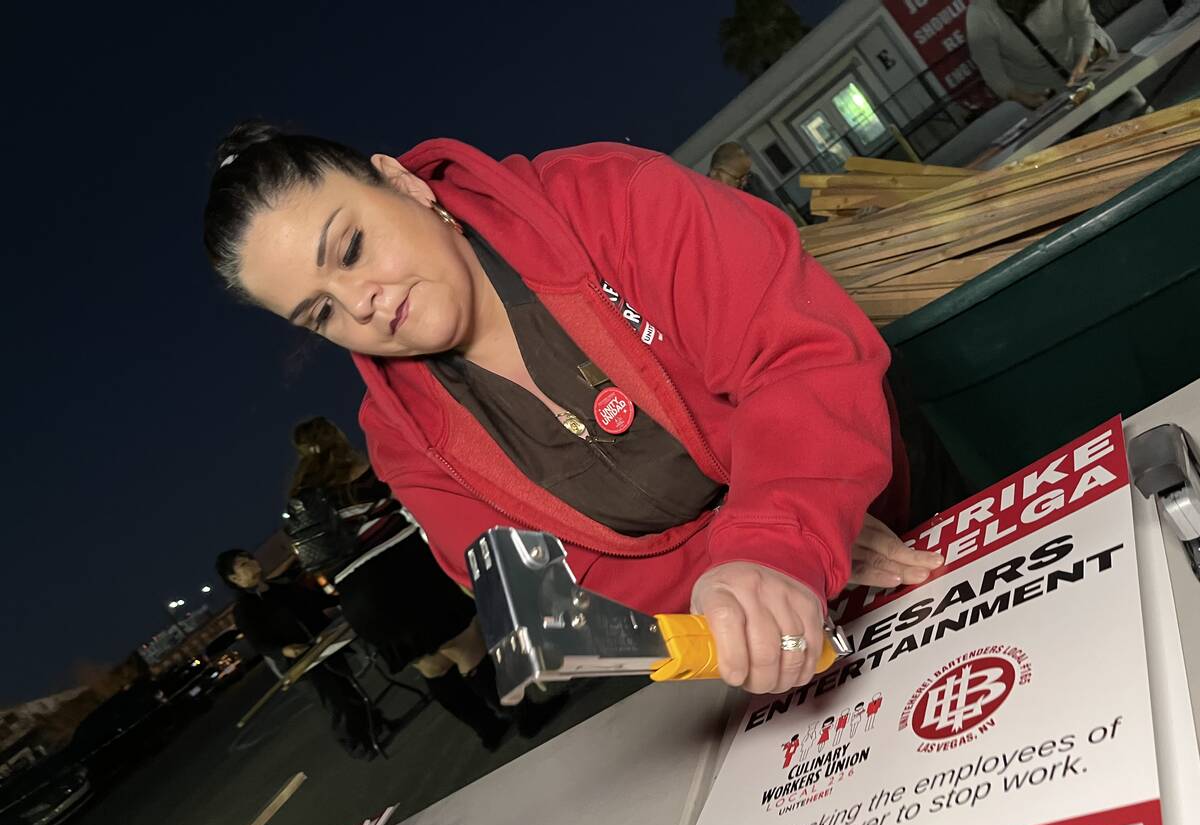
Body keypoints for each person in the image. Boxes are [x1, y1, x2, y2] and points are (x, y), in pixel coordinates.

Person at [203, 122, 949, 700]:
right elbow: (555, 593)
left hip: (894, 516)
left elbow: (797, 354)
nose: (359, 302)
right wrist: (756, 559)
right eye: (321, 313)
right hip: (738, 642)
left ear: (402, 182)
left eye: (353, 247)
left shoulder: (613, 199)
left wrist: (784, 530)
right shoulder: (401, 445)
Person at [284, 416, 557, 746]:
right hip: (399, 572)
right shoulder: (357, 469)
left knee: (432, 664)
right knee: (467, 644)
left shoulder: (305, 495)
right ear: (335, 434)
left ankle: (487, 728)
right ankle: (525, 716)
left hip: (355, 595)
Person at [215, 549, 390, 758]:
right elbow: (260, 642)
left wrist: (346, 595)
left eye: (250, 559)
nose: (253, 564)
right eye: (244, 565)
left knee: (351, 689)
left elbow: (317, 601)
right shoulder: (245, 609)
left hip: (323, 646)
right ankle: (357, 746)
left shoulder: (281, 588)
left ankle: (377, 726)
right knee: (336, 702)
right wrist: (283, 650)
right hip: (300, 664)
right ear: (234, 579)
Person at [967, 0, 1118, 109]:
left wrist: (1082, 62)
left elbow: (1083, 22)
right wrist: (1026, 98)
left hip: (1095, 62)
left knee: (1129, 106)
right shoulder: (979, 14)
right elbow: (993, 74)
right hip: (1054, 97)